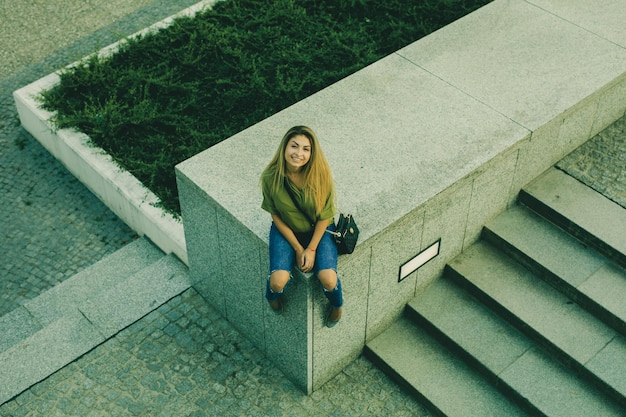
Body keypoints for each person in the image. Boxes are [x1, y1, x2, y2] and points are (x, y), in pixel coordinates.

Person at [260, 125, 343, 327]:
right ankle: (271, 297)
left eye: (306, 149)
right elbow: (275, 215)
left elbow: (326, 215)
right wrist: (298, 248)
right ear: (285, 147)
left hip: (319, 230)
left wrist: (311, 248)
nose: (299, 153)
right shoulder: (270, 177)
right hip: (286, 229)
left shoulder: (321, 175)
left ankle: (337, 305)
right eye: (294, 146)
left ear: (312, 153)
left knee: (328, 279)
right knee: (277, 281)